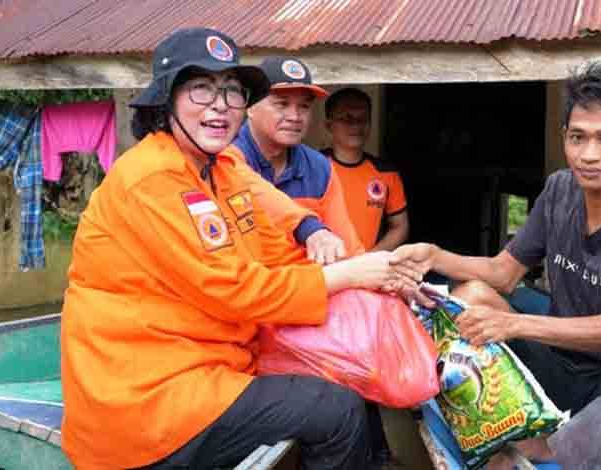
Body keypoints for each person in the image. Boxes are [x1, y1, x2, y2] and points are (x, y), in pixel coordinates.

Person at [60, 28, 421, 470]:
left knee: (339, 374)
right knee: (338, 412)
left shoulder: (222, 169)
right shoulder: (152, 177)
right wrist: (352, 275)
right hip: (149, 397)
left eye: (232, 92)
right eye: (201, 89)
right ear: (166, 99)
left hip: (213, 365)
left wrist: (379, 276)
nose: (219, 105)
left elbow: (276, 249)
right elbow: (233, 289)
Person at [393, 63, 601, 463]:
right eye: (577, 138)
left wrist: (516, 323)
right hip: (555, 365)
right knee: (474, 296)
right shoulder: (560, 189)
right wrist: (434, 255)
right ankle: (507, 439)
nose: (589, 155)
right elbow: (504, 274)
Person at [231, 56, 364, 264]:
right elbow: (248, 185)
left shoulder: (319, 168)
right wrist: (309, 228)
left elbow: (349, 249)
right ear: (249, 106)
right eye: (282, 104)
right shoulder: (224, 152)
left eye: (304, 106)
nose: (295, 116)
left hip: (307, 287)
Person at [322, 88, 409, 252]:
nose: (356, 125)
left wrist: (369, 259)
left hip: (368, 271)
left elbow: (400, 227)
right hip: (323, 270)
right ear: (329, 125)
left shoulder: (386, 172)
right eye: (347, 118)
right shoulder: (312, 166)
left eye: (363, 118)